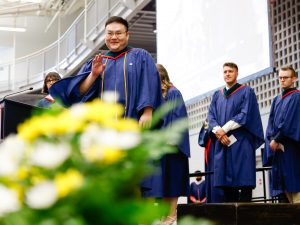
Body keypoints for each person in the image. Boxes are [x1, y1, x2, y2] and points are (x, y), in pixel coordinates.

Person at [49, 16, 162, 127]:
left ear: (127, 35)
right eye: (109, 33)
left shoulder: (140, 56)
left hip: (134, 122)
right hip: (103, 127)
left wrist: (147, 112)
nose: (113, 37)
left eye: (118, 33)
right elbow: (78, 94)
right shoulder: (96, 62)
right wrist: (93, 74)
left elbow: (149, 84)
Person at [207, 62, 264, 202]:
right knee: (226, 183)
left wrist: (223, 130)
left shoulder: (246, 91)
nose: (227, 74)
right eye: (225, 71)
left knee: (244, 181)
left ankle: (246, 218)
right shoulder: (217, 95)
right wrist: (218, 132)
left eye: (230, 71)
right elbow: (211, 116)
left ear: (237, 73)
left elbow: (244, 115)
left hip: (241, 142)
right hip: (223, 142)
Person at [141, 64, 190, 225]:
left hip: (171, 149)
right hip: (156, 149)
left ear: (161, 77)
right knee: (156, 185)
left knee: (171, 182)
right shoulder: (150, 97)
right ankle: (159, 218)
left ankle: (170, 217)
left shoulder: (173, 93)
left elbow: (178, 118)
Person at [264, 65, 300, 203]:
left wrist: (277, 139)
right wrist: (272, 139)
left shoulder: (296, 97)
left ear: (293, 79)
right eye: (280, 78)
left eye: (286, 77)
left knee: (295, 189)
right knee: (284, 191)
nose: (282, 80)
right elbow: (271, 122)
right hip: (279, 151)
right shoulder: (276, 99)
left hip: (291, 149)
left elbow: (289, 121)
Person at [198, 120, 224, 203]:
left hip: (223, 148)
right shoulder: (208, 120)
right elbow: (202, 140)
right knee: (212, 179)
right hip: (212, 151)